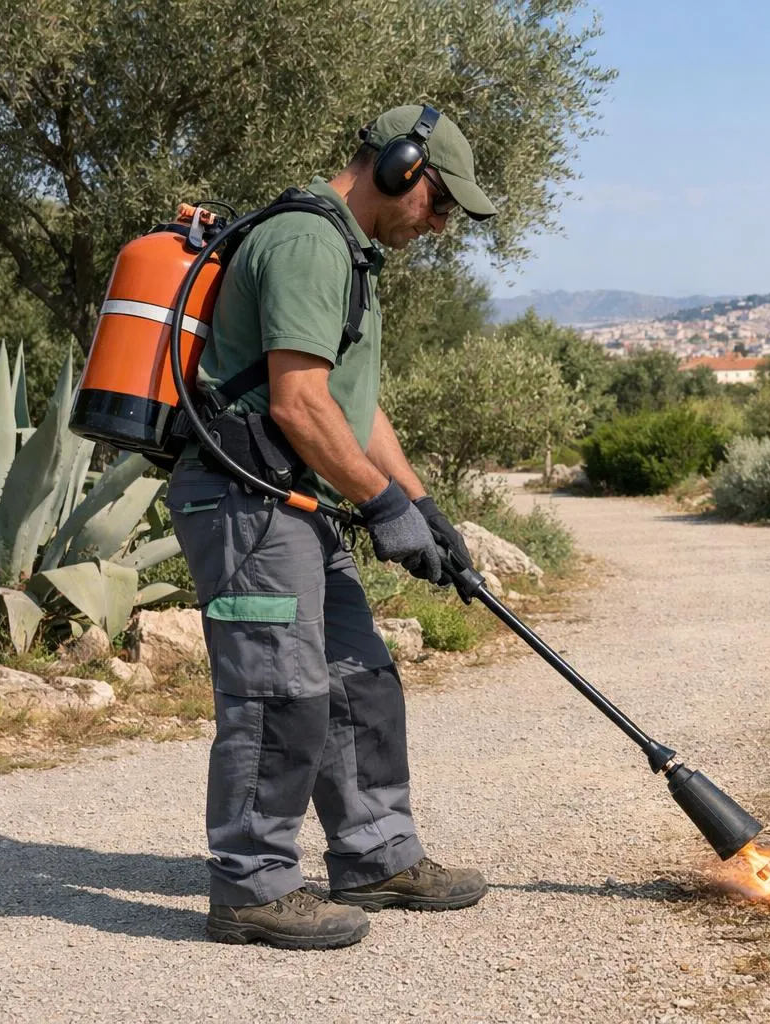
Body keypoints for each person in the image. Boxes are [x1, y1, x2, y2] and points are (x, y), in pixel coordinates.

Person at [164, 104, 499, 950]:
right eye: (440, 201)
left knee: (358, 680)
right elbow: (298, 404)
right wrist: (383, 509)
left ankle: (377, 855)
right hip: (247, 505)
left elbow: (354, 407)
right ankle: (251, 886)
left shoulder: (350, 255)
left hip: (297, 503)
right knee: (279, 694)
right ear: (397, 167)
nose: (442, 222)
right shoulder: (308, 243)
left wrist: (422, 507)